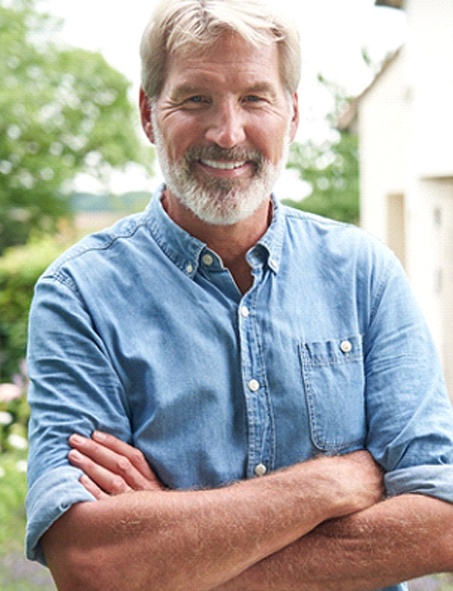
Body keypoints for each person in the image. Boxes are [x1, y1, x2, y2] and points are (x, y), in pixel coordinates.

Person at [25, 0, 453, 590]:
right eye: (195, 98)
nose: (228, 133)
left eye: (255, 98)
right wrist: (328, 485)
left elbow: (441, 523)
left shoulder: (363, 274)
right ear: (149, 113)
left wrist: (177, 561)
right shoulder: (80, 296)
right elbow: (92, 563)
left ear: (293, 114)